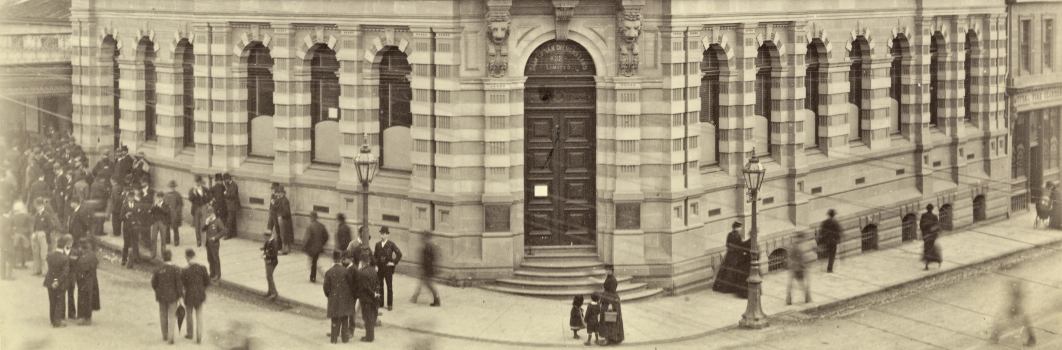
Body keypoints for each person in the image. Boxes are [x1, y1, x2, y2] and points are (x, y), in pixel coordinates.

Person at [151, 249, 184, 345]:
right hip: (173, 297)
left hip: (161, 296)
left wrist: (157, 290)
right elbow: (179, 285)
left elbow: (153, 283)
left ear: (163, 258)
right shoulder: (176, 269)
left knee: (163, 315)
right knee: (172, 316)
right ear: (171, 257)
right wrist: (180, 296)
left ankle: (164, 335)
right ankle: (171, 337)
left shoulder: (158, 269)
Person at [990, 280, 1037, 346]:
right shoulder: (1017, 291)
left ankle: (995, 336)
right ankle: (995, 336)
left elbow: (1018, 296)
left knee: (1004, 319)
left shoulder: (1016, 292)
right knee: (1021, 319)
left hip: (1015, 306)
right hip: (1015, 305)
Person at [324, 251, 355, 344]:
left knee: (334, 319)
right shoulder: (346, 271)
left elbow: (326, 288)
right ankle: (345, 339)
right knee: (345, 318)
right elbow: (351, 284)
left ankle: (334, 339)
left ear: (333, 259)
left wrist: (329, 295)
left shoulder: (329, 272)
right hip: (345, 299)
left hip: (333, 299)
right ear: (340, 259)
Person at [712, 221, 751, 298]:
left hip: (729, 255)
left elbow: (727, 244)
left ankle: (722, 286)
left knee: (726, 270)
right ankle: (730, 288)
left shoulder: (729, 234)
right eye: (740, 227)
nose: (741, 229)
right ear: (737, 228)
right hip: (736, 255)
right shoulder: (737, 235)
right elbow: (740, 246)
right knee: (733, 270)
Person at [181, 248, 210, 343]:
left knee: (189, 314)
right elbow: (207, 282)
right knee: (199, 314)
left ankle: (190, 334)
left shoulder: (185, 270)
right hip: (200, 294)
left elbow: (183, 284)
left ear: (188, 258)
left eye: (186, 257)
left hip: (189, 295)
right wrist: (202, 289)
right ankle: (199, 336)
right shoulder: (202, 268)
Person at [44, 234, 72, 327]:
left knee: (52, 301)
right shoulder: (65, 258)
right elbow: (65, 273)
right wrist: (58, 281)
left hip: (49, 280)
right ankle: (57, 321)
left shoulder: (49, 255)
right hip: (59, 283)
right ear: (64, 246)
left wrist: (54, 279)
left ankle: (52, 319)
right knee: (59, 301)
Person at [373, 226, 402, 311]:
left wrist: (393, 262)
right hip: (379, 269)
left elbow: (399, 254)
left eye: (384, 234)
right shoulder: (377, 244)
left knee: (389, 286)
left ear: (387, 235)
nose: (382, 235)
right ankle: (380, 303)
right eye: (381, 233)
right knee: (379, 286)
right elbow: (375, 256)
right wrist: (375, 265)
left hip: (388, 269)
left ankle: (390, 304)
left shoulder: (391, 244)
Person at [354, 252, 379, 342]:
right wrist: (376, 294)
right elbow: (377, 284)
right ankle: (370, 336)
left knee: (367, 318)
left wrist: (372, 294)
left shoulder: (362, 272)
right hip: (373, 298)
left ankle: (369, 337)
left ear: (362, 262)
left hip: (365, 299)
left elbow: (365, 287)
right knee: (370, 317)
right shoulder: (373, 270)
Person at [74, 239, 100, 325]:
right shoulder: (91, 255)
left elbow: (79, 267)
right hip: (90, 280)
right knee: (87, 298)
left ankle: (84, 318)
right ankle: (86, 317)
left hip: (84, 280)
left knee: (83, 298)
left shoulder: (84, 256)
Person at [31, 198, 60, 276]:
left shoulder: (46, 215)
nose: (38, 207)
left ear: (42, 205)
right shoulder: (36, 215)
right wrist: (34, 232)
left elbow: (52, 226)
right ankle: (37, 270)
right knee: (36, 253)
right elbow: (34, 225)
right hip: (36, 235)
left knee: (43, 254)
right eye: (37, 205)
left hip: (43, 236)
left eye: (39, 205)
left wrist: (45, 232)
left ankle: (45, 271)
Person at [410, 233, 440, 307]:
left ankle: (437, 300)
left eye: (425, 238)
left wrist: (427, 268)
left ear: (428, 238)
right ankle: (414, 297)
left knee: (429, 285)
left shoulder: (430, 247)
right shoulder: (427, 246)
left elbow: (431, 259)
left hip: (428, 269)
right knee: (421, 283)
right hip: (426, 269)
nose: (424, 240)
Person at [597, 264, 624, 345]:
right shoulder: (609, 277)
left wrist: (610, 305)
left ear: (612, 270)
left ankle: (608, 339)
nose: (606, 271)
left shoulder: (612, 280)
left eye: (608, 270)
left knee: (609, 319)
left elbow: (612, 293)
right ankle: (611, 338)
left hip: (611, 301)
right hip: (608, 299)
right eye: (606, 270)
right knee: (608, 319)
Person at [786, 231, 813, 305]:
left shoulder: (793, 245)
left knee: (792, 284)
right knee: (802, 284)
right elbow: (803, 258)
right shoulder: (800, 246)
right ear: (800, 238)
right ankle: (807, 298)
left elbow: (790, 257)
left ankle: (789, 299)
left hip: (795, 267)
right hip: (799, 268)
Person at [304, 211, 329, 283]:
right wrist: (322, 243)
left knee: (312, 263)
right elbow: (326, 236)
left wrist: (304, 247)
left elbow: (307, 238)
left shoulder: (310, 226)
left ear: (312, 217)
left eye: (310, 217)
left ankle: (313, 277)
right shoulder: (321, 225)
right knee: (314, 262)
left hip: (312, 248)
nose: (310, 218)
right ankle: (314, 276)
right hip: (319, 248)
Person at [202, 207, 225, 280]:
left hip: (214, 243)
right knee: (210, 259)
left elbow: (223, 231)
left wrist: (215, 237)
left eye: (210, 214)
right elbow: (203, 229)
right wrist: (206, 223)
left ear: (213, 213)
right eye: (208, 213)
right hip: (208, 243)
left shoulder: (218, 221)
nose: (209, 215)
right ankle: (212, 273)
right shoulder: (208, 221)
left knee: (215, 259)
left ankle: (218, 274)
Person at [268, 187, 293, 254]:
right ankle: (281, 248)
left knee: (283, 234)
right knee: (280, 234)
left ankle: (284, 249)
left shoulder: (285, 200)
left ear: (283, 193)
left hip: (283, 220)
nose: (278, 194)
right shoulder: (281, 199)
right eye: (278, 193)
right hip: (280, 220)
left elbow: (286, 211)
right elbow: (276, 207)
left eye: (279, 193)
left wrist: (281, 215)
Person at [188, 176, 210, 247]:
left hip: (203, 207)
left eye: (199, 181)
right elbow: (190, 199)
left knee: (204, 224)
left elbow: (210, 196)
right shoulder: (192, 190)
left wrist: (207, 203)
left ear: (201, 182)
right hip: (196, 208)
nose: (197, 183)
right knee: (197, 225)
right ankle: (198, 241)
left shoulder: (205, 189)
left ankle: (205, 241)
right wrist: (194, 193)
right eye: (196, 182)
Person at [818, 209, 842, 273]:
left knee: (826, 253)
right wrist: (838, 240)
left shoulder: (825, 222)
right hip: (833, 242)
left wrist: (821, 240)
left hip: (826, 241)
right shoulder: (836, 223)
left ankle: (823, 263)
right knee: (832, 255)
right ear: (833, 215)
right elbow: (839, 232)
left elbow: (821, 231)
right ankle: (829, 269)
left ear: (829, 215)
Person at [920, 204, 942, 270]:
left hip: (927, 236)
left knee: (927, 250)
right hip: (931, 236)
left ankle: (927, 265)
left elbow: (921, 225)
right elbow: (937, 226)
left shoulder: (924, 216)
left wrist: (924, 232)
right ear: (932, 209)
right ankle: (938, 261)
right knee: (932, 249)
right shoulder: (934, 216)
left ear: (927, 209)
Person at [163, 180, 183, 246]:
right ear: (169, 187)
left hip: (174, 213)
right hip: (167, 213)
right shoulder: (166, 195)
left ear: (175, 187)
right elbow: (164, 204)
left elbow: (180, 204)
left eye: (173, 187)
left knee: (175, 227)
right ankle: (167, 239)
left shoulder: (177, 195)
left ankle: (176, 241)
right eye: (171, 187)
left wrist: (177, 211)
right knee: (167, 227)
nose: (172, 188)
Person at [261, 230, 279, 300]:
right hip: (268, 261)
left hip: (271, 262)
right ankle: (270, 291)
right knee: (268, 276)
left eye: (265, 237)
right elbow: (266, 248)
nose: (264, 238)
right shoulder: (268, 241)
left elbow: (274, 254)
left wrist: (266, 256)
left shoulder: (273, 242)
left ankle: (274, 293)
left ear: (268, 236)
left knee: (269, 276)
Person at [223, 174, 240, 239]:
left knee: (229, 220)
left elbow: (232, 195)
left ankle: (228, 235)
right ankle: (233, 233)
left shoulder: (234, 185)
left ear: (228, 179)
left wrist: (225, 194)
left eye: (225, 180)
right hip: (230, 205)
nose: (224, 181)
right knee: (232, 219)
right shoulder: (229, 184)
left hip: (233, 206)